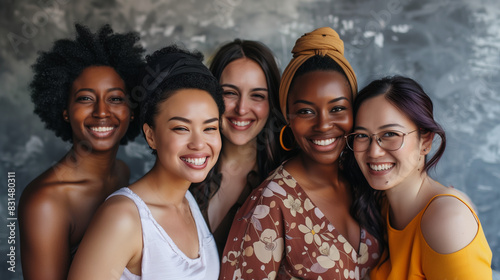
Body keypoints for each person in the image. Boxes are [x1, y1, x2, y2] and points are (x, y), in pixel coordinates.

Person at [219, 27, 383, 280]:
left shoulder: (366, 180)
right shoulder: (270, 204)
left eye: (338, 108)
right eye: (306, 111)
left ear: (354, 111)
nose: (324, 125)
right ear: (288, 116)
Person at [68, 45, 224, 280]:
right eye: (181, 128)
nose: (199, 143)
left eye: (210, 128)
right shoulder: (123, 218)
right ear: (151, 135)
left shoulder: (188, 201)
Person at [19, 23, 145, 280]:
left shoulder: (121, 172)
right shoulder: (46, 203)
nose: (101, 112)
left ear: (132, 111)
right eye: (86, 98)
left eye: (116, 98)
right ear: (64, 110)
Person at [344, 76, 492, 279]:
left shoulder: (448, 221)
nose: (374, 151)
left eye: (390, 134)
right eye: (361, 135)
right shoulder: (378, 204)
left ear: (426, 141)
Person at [189, 39, 286, 254]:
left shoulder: (286, 181)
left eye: (257, 96)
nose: (242, 109)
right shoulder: (183, 166)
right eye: (230, 93)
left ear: (272, 104)